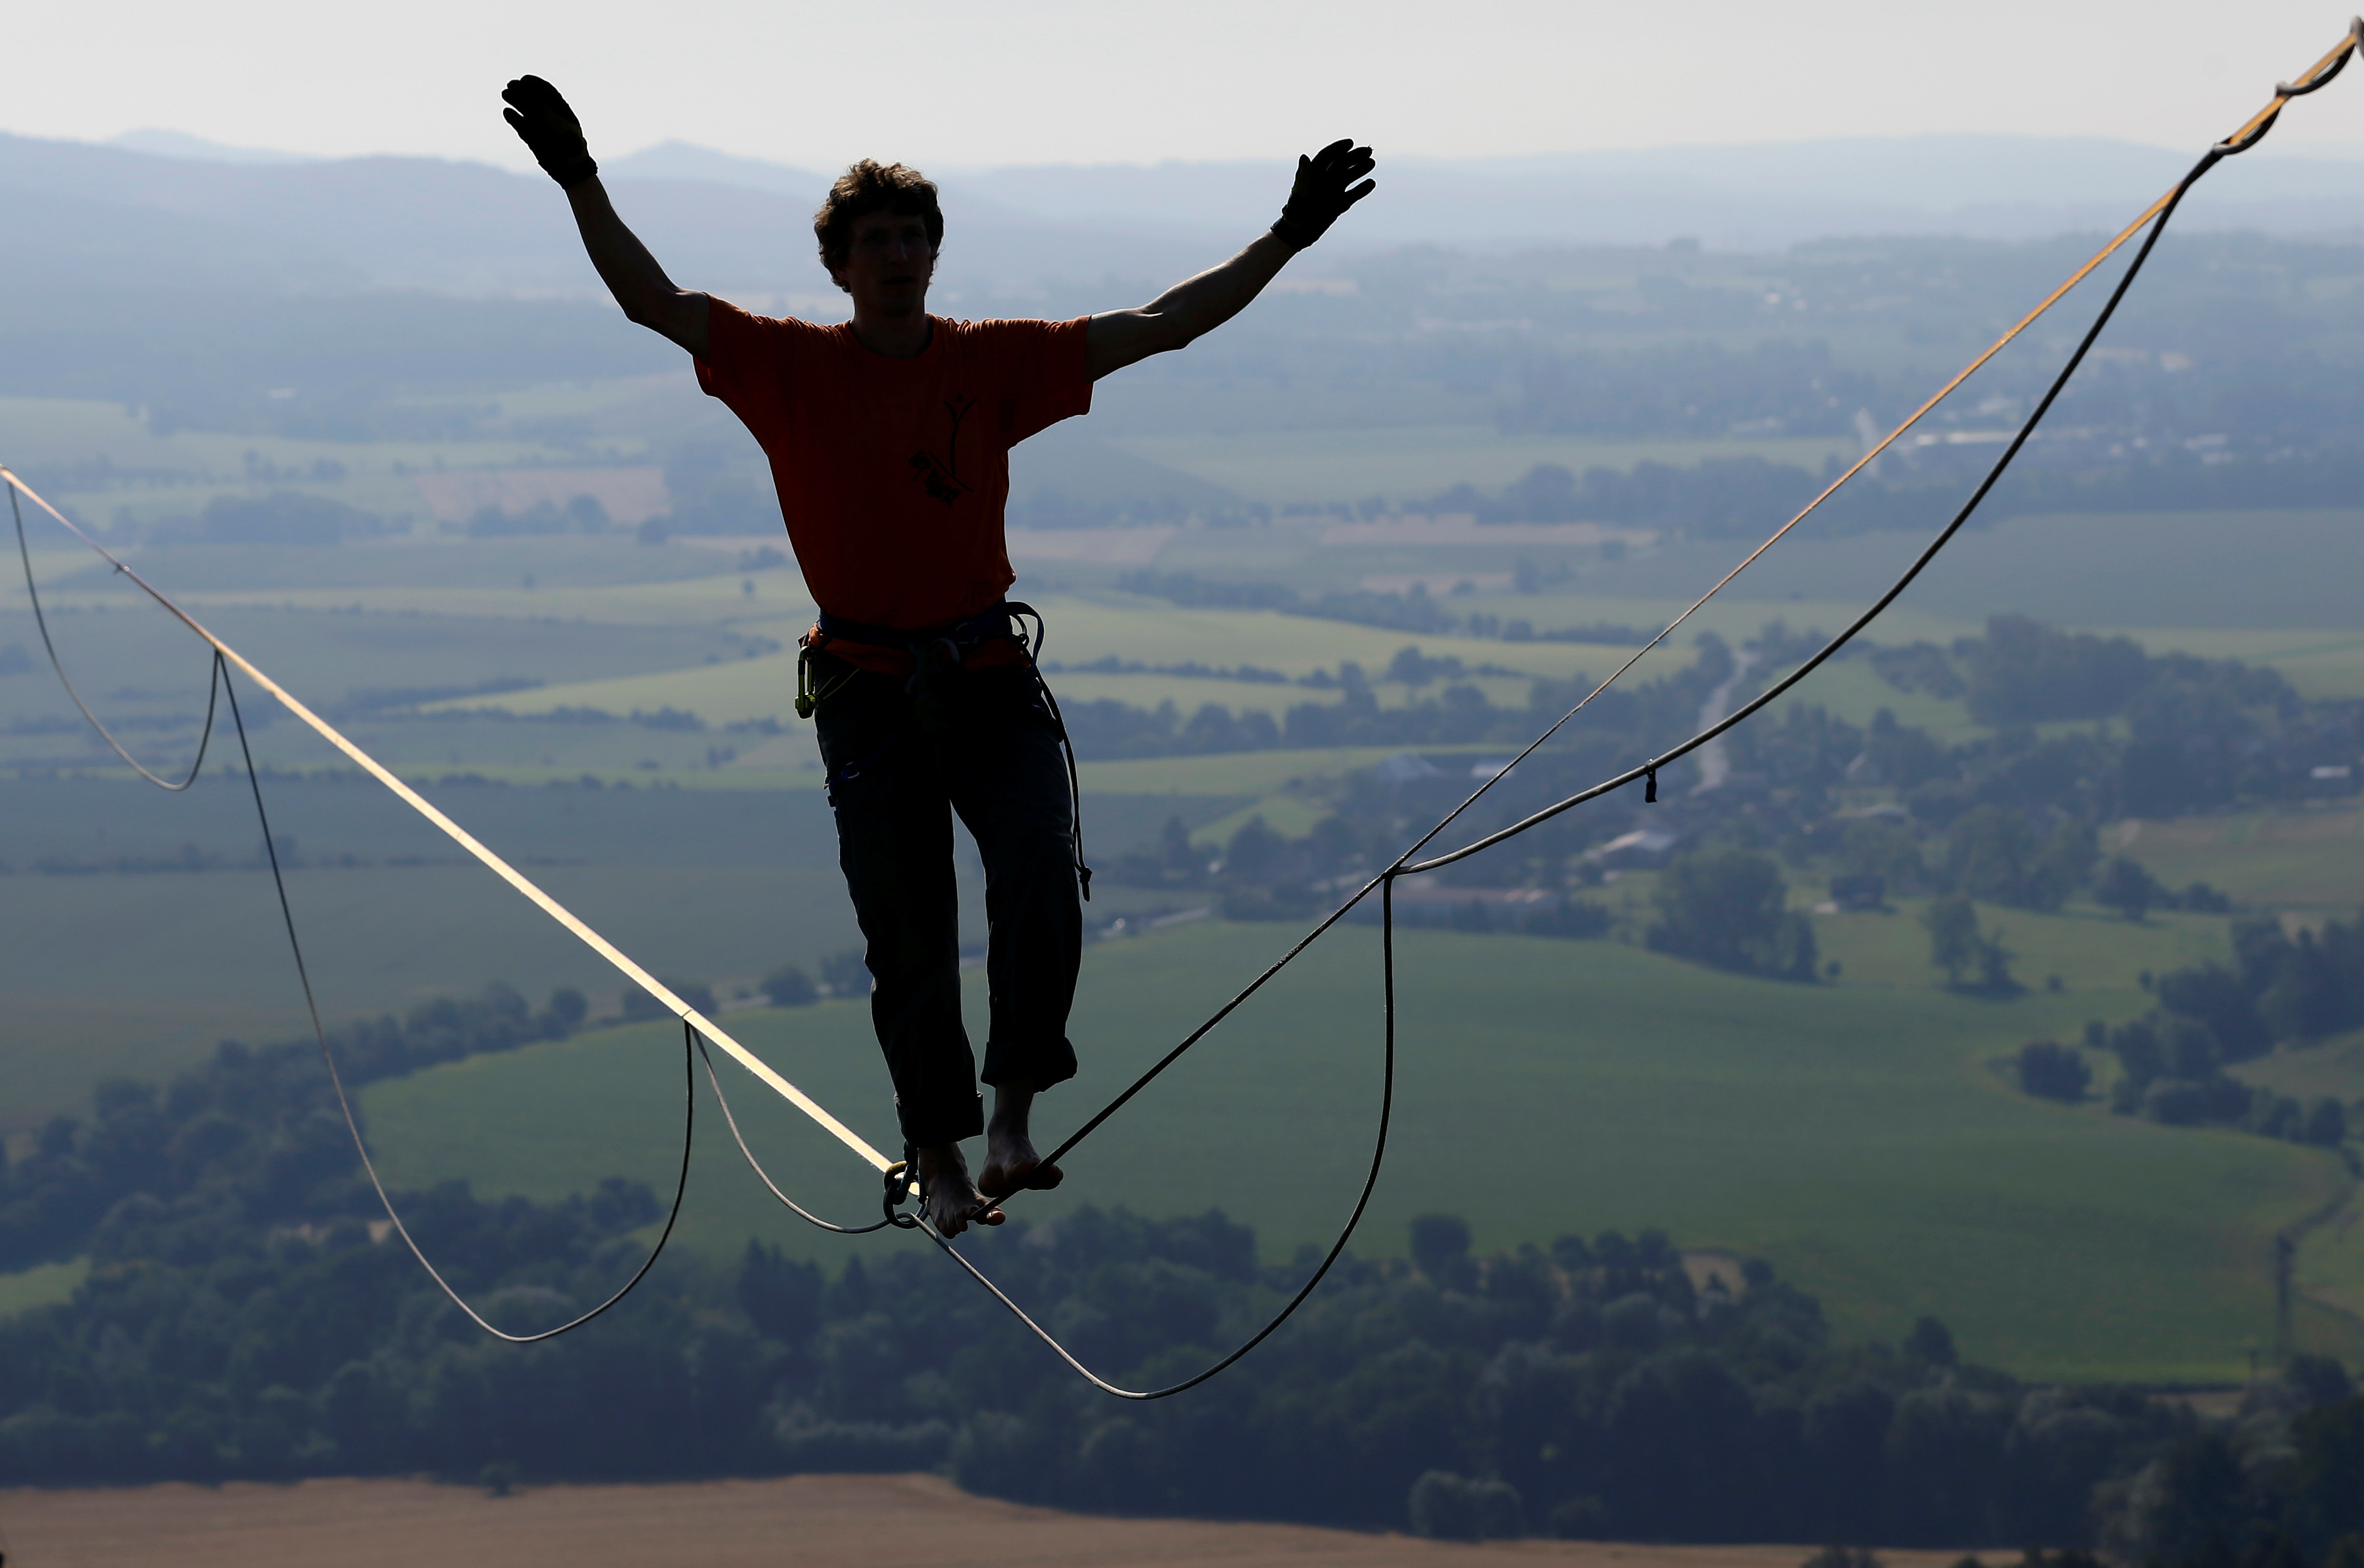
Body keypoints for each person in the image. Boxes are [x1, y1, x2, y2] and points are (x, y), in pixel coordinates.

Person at [502, 75, 1376, 1235]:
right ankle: (938, 1154)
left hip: (985, 675)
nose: (899, 253)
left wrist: (1286, 237)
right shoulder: (788, 368)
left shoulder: (991, 362)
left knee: (1035, 868)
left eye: (914, 235)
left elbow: (1161, 326)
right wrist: (580, 180)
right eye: (876, 239)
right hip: (866, 688)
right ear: (841, 265)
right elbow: (651, 301)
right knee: (906, 927)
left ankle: (1012, 1118)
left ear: (933, 253)